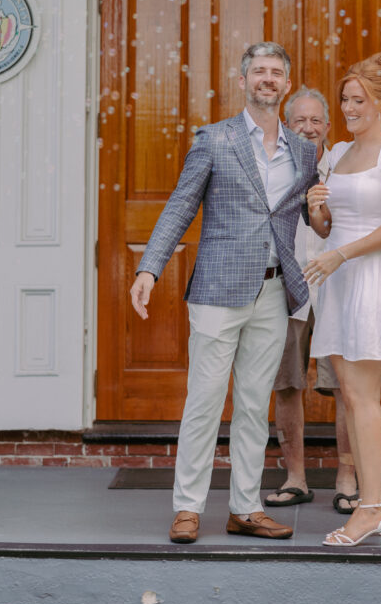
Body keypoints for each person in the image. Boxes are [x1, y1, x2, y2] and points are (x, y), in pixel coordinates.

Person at [130, 42, 318, 545]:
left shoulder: (303, 151)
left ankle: (245, 508)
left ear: (285, 82)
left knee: (255, 405)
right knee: (205, 402)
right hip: (216, 290)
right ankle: (188, 508)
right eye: (260, 71)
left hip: (274, 292)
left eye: (277, 72)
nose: (268, 79)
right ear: (243, 81)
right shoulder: (214, 139)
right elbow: (180, 206)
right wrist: (150, 267)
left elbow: (307, 215)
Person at [304, 52, 381, 548]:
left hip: (373, 278)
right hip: (339, 279)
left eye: (358, 100)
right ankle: (369, 504)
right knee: (349, 396)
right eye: (345, 99)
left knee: (363, 395)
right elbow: (327, 225)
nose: (348, 108)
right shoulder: (335, 153)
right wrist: (316, 214)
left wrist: (342, 255)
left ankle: (373, 507)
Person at [264, 87, 358, 514]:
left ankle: (347, 477)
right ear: (286, 124)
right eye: (298, 120)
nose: (307, 127)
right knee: (287, 384)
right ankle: (296, 478)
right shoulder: (273, 166)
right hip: (289, 286)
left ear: (327, 126)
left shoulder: (344, 164)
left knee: (346, 387)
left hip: (339, 285)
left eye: (315, 120)